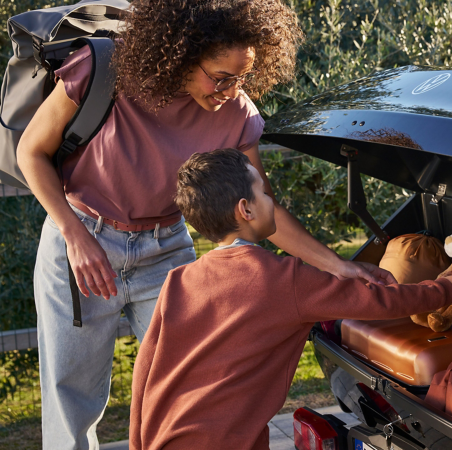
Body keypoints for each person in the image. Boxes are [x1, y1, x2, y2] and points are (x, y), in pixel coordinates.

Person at [16, 1, 396, 448]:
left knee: (201, 383)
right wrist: (74, 235)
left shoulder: (236, 113)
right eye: (221, 77)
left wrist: (338, 266)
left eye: (243, 78)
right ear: (179, 53)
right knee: (70, 400)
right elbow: (31, 152)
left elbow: (263, 209)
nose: (231, 90)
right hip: (81, 239)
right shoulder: (103, 68)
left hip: (166, 248)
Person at [128, 149, 452, 449]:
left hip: (165, 437)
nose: (272, 202)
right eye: (265, 194)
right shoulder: (282, 279)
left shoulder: (179, 280)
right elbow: (378, 303)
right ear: (246, 210)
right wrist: (447, 290)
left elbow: (145, 373)